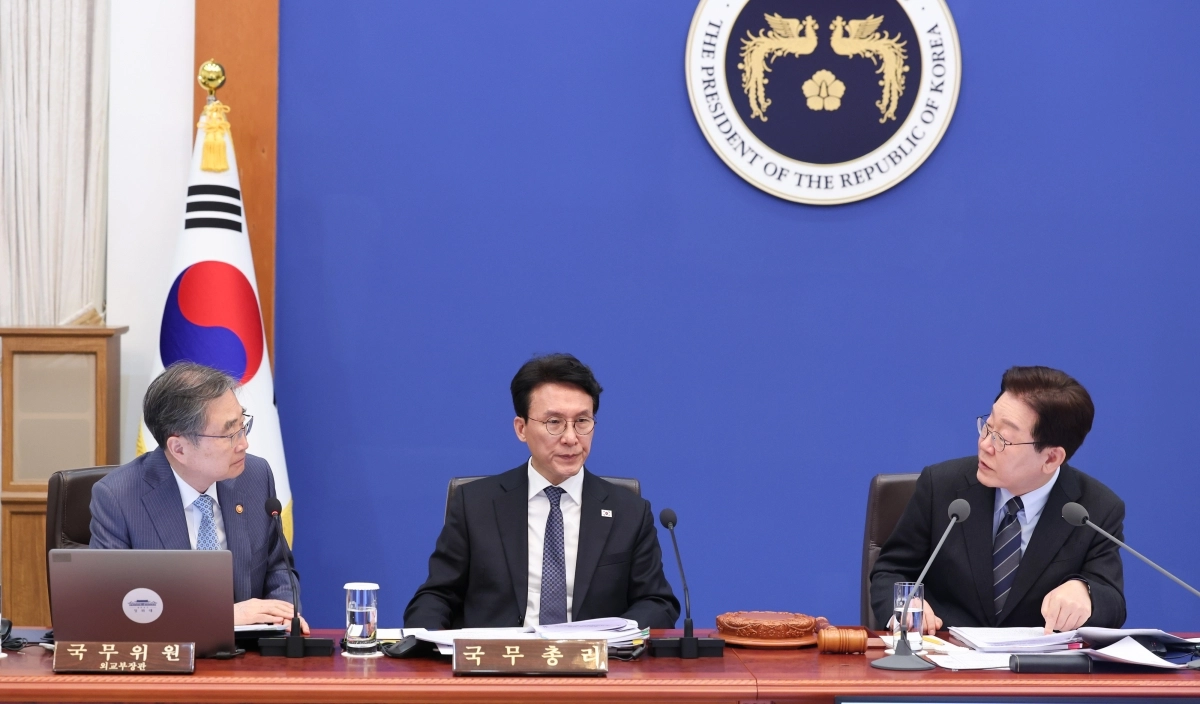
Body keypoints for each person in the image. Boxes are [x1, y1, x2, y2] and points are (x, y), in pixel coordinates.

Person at [404, 353, 680, 629]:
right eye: (554, 422)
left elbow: (657, 603)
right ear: (521, 428)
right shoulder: (475, 504)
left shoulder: (629, 512)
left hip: (594, 654)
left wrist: (609, 640)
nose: (571, 438)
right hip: (498, 655)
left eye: (582, 421)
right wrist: (428, 645)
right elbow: (436, 596)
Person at [870, 366, 1125, 634]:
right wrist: (905, 606)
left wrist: (1085, 592)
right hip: (944, 653)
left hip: (1035, 659)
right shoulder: (941, 486)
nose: (985, 445)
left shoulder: (1094, 509)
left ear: (1051, 458)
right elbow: (890, 571)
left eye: (1002, 439)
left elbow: (1112, 602)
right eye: (988, 427)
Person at [90, 361, 308, 632]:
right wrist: (221, 616)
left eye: (242, 425)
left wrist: (283, 616)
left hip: (249, 650)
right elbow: (117, 605)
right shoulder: (119, 498)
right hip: (167, 650)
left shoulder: (255, 476)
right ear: (178, 448)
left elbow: (278, 569)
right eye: (228, 434)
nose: (244, 443)